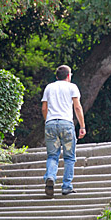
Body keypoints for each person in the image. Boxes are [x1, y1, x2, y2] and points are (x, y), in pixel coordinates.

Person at [41, 65, 86, 197]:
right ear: (68, 76)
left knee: (52, 156)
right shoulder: (72, 87)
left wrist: (47, 121)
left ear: (56, 76)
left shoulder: (49, 87)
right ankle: (66, 186)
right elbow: (77, 107)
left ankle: (50, 176)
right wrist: (82, 126)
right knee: (69, 157)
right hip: (66, 123)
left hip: (50, 123)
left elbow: (44, 108)